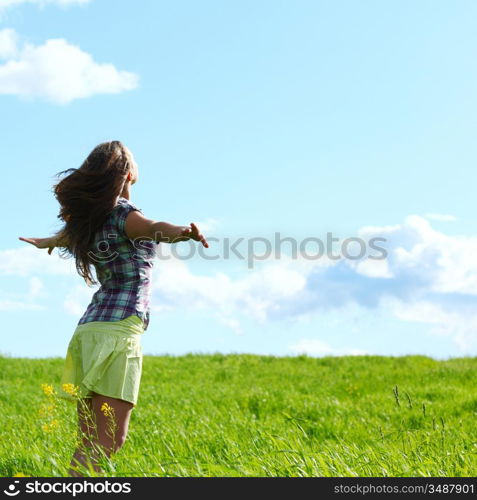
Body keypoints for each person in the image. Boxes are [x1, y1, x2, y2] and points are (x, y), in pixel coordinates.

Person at [19, 140, 208, 476]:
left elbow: (70, 236)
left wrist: (49, 241)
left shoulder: (94, 219)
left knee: (89, 439)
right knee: (108, 440)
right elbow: (153, 228)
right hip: (118, 331)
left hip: (89, 331)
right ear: (128, 172)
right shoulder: (124, 216)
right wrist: (182, 233)